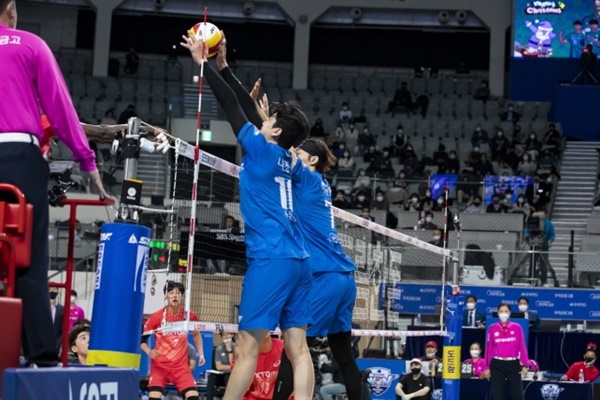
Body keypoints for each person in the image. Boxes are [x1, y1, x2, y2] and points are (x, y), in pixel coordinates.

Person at [182, 32, 314, 398]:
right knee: (298, 350)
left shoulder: (259, 150)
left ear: (273, 129)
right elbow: (248, 111)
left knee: (246, 348)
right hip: (301, 261)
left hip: (272, 258)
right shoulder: (292, 160)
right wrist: (225, 66)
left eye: (268, 119)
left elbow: (230, 106)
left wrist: (204, 65)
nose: (263, 120)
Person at [0, 0, 112, 368]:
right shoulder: (30, 44)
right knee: (29, 259)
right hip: (19, 157)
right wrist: (88, 162)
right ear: (12, 9)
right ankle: (42, 359)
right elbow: (61, 108)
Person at [287, 138, 363, 400]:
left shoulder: (307, 178)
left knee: (295, 349)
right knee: (344, 356)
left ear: (313, 160)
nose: (293, 154)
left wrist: (264, 121)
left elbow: (277, 148)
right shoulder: (322, 184)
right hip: (344, 279)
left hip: (326, 277)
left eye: (298, 152)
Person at [141, 281, 205, 400]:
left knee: (194, 397)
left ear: (182, 296)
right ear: (166, 296)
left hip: (181, 369)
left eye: (178, 293)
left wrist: (201, 354)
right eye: (171, 293)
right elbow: (142, 340)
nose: (175, 295)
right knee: (154, 397)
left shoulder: (189, 316)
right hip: (160, 368)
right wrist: (149, 352)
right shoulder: (156, 317)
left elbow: (196, 334)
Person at [485, 303, 529, 400]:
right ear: (497, 313)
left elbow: (522, 346)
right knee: (497, 395)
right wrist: (487, 366)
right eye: (501, 311)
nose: (503, 314)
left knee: (518, 395)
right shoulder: (492, 328)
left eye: (506, 311)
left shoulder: (517, 327)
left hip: (513, 363)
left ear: (510, 313)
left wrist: (525, 365)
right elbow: (488, 348)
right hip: (497, 364)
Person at [524, 210, 557, 286]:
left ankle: (544, 281)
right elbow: (527, 230)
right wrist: (527, 236)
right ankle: (530, 281)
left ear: (545, 214)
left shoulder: (549, 224)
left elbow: (552, 235)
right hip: (533, 246)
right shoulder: (532, 221)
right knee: (532, 264)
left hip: (544, 247)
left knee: (544, 265)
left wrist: (550, 241)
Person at [49, 287, 64, 352]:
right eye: (50, 289)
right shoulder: (41, 307)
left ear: (57, 291)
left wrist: (58, 343)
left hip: (56, 343)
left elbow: (63, 328)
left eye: (54, 289)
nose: (52, 291)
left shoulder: (62, 309)